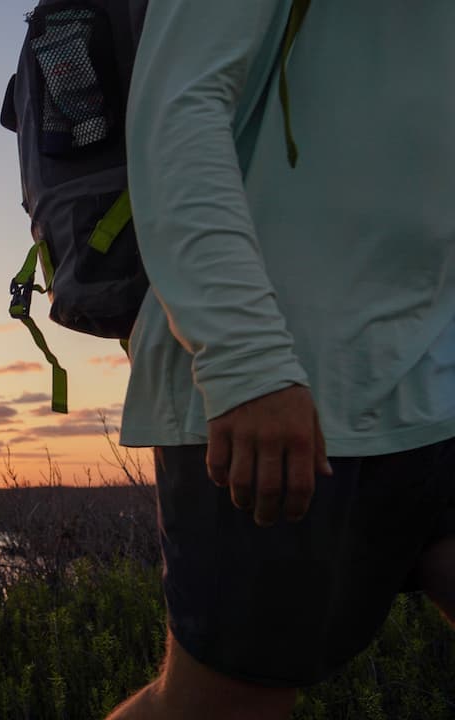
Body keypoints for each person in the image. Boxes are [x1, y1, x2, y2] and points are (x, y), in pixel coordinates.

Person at [107, 1, 455, 718]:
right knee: (221, 706)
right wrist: (248, 361)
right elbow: (178, 109)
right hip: (286, 379)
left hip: (435, 373)